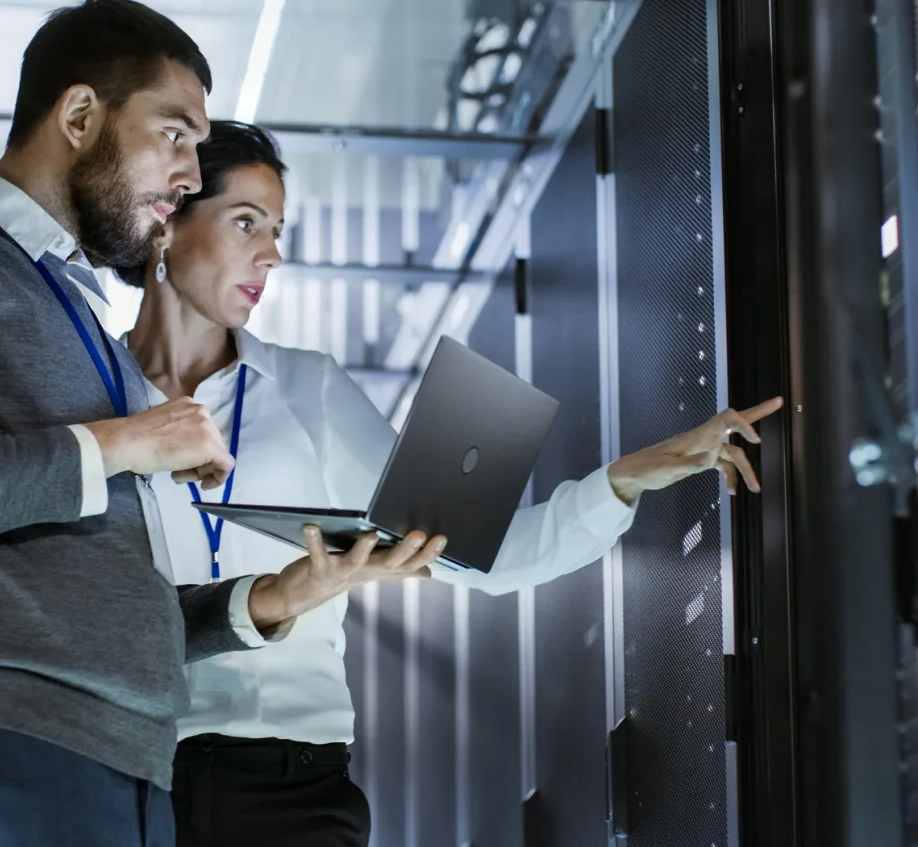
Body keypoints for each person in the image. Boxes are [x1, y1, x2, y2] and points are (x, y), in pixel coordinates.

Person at [116, 120, 784, 847]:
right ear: (166, 221)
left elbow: (482, 558)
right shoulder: (91, 403)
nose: (271, 253)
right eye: (246, 221)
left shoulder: (308, 388)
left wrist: (625, 479)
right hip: (129, 778)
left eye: (276, 229)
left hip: (293, 786)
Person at [0, 3, 282, 845]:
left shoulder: (86, 321)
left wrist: (262, 604)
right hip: (2, 750)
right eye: (175, 134)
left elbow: (92, 595)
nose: (189, 173)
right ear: (79, 116)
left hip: (136, 772)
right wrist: (129, 441)